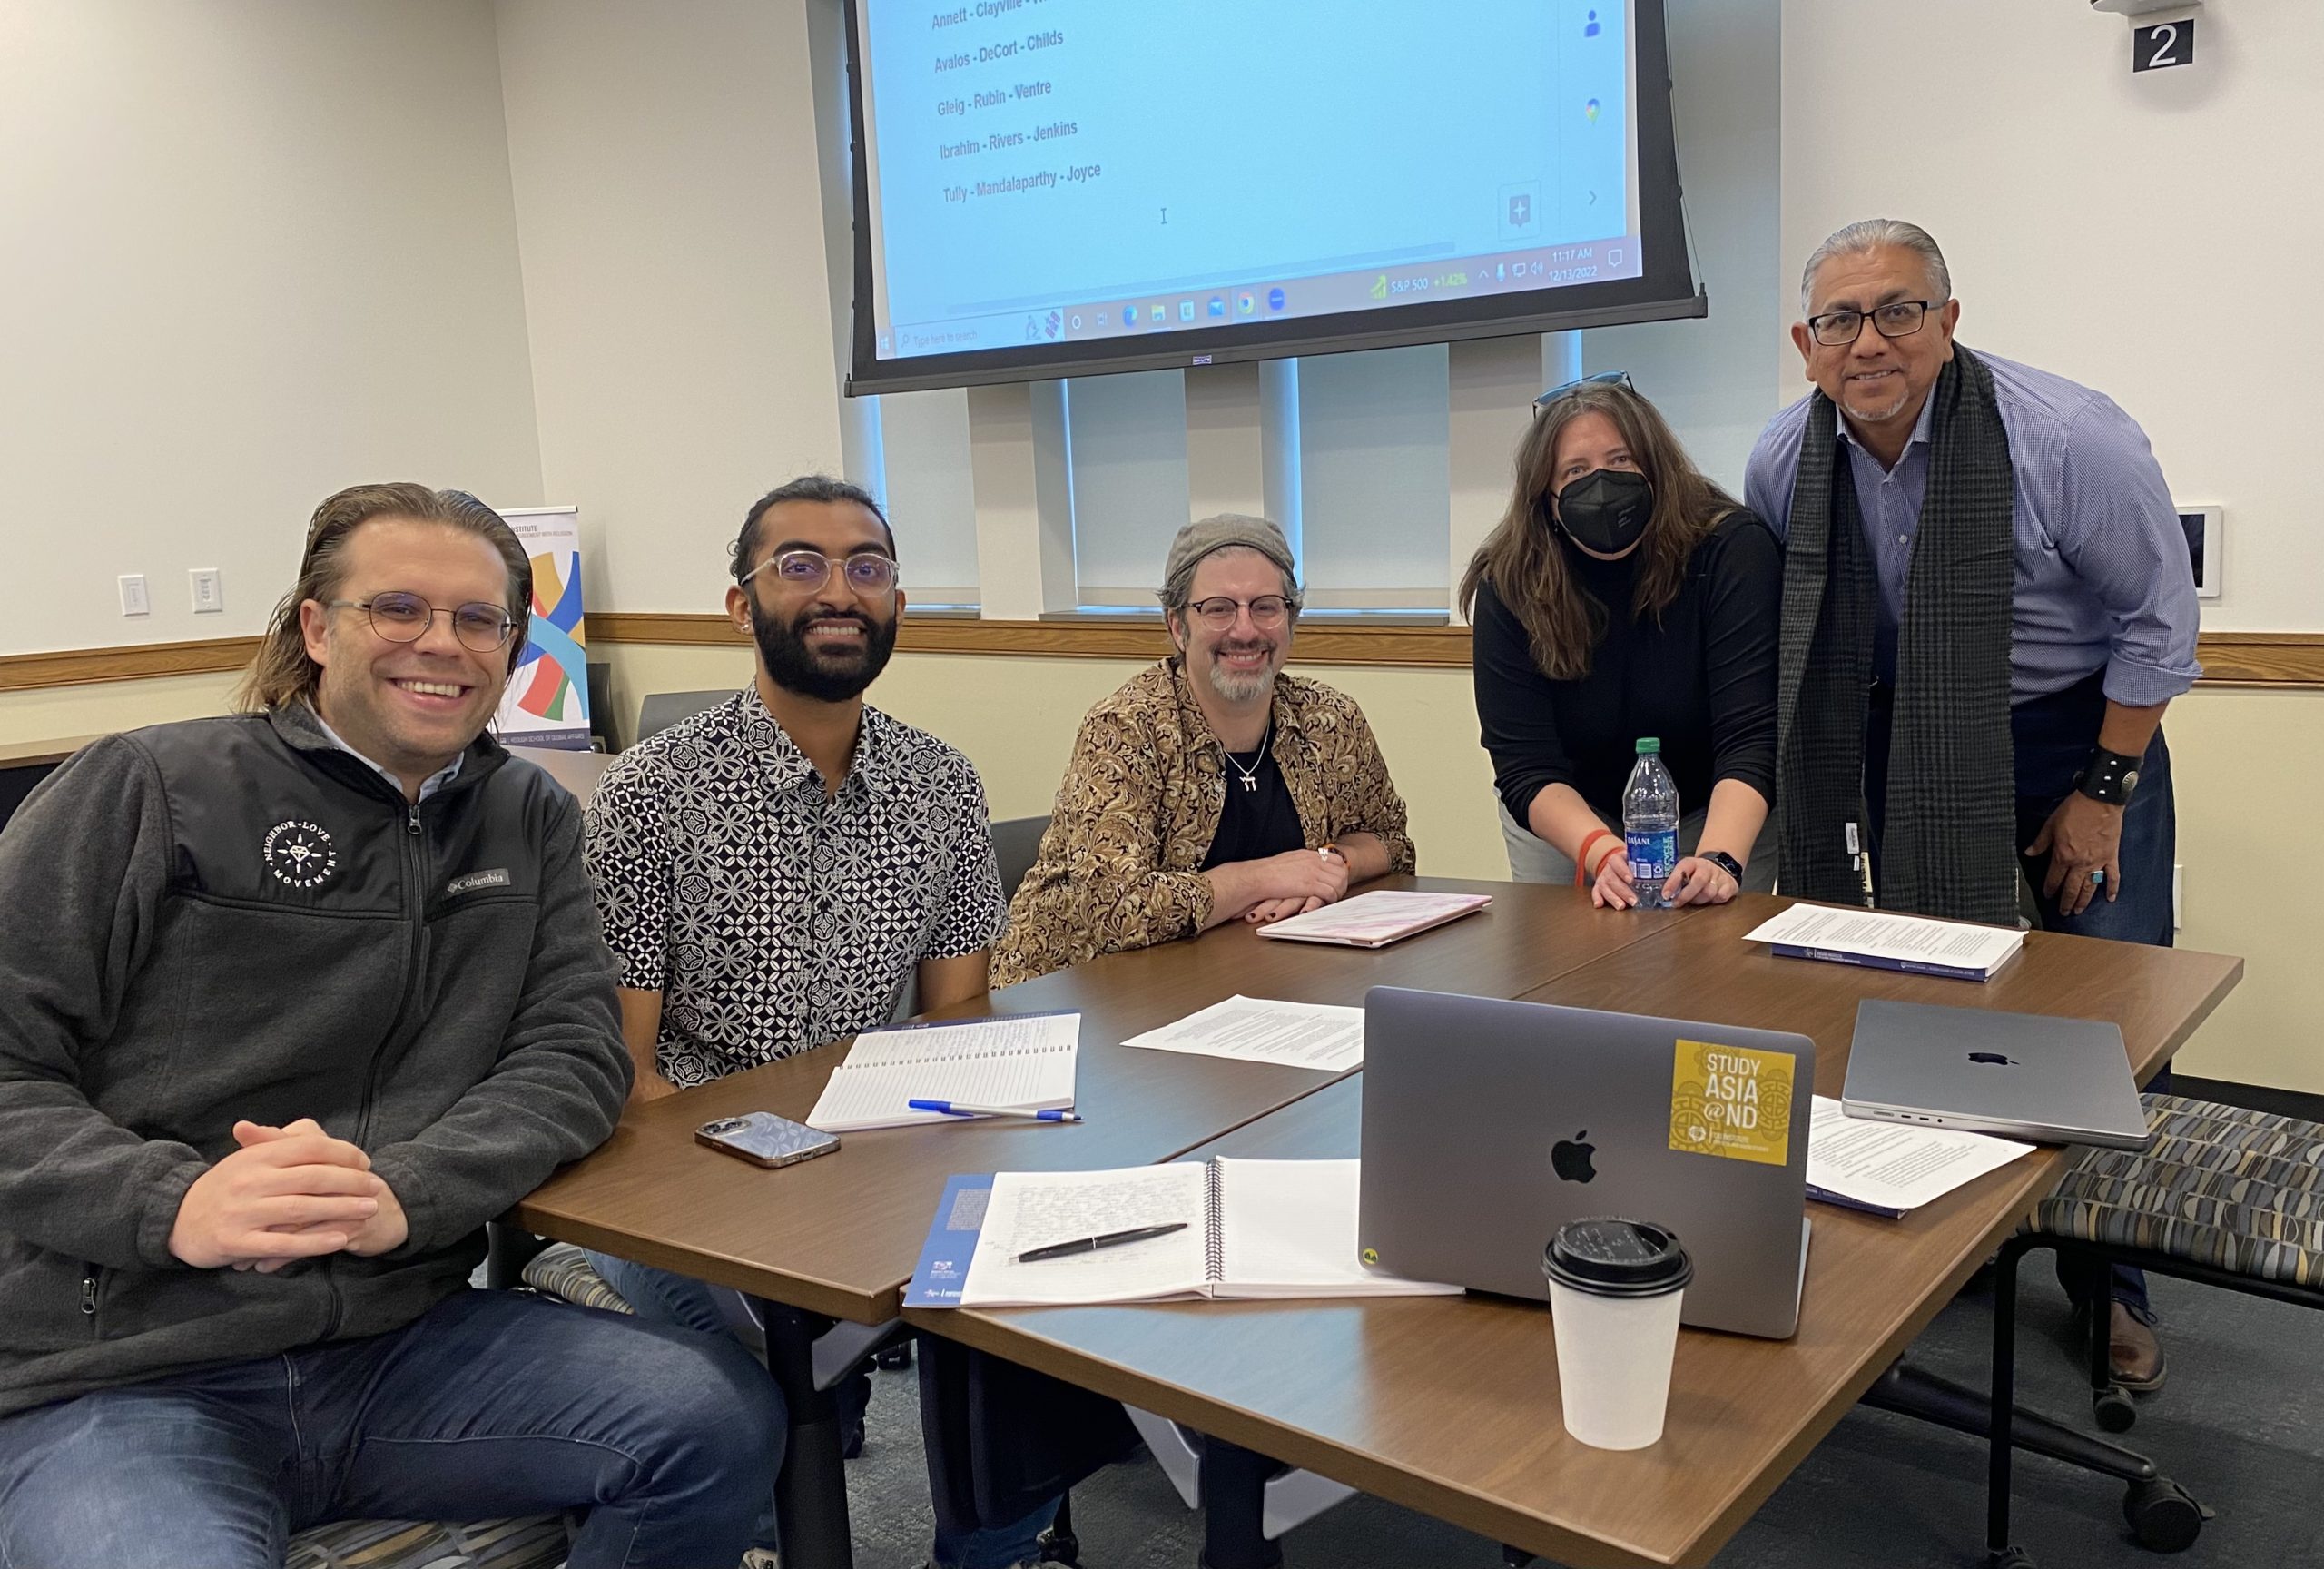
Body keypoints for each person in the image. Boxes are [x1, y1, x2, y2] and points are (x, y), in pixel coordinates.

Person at [0, 483, 777, 1569]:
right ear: (317, 627)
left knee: (714, 1420)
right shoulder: (149, 789)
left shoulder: (528, 814)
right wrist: (173, 1204)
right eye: (398, 608)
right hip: (124, 1368)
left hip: (396, 1339)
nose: (442, 645)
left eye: (478, 620)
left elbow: (574, 1054)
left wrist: (401, 1193)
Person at [1744, 219, 2200, 1390]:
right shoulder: (1778, 461)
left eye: (1899, 310)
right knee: (1911, 994)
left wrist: (2101, 793)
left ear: (1948, 322)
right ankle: (1948, 1240)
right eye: (1841, 320)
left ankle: (2112, 1285)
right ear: (1806, 344)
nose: (1870, 342)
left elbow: (2159, 625)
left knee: (2101, 1011)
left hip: (2073, 732)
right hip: (1895, 735)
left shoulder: (2067, 440)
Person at [581, 475, 1038, 1569]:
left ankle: (982, 1553)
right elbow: (626, 1072)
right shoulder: (651, 794)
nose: (840, 591)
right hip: (686, 1168)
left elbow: (958, 1023)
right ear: (740, 605)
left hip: (876, 1147)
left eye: (867, 568)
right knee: (744, 1403)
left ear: (896, 605)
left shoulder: (939, 783)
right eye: (801, 565)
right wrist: (787, 1212)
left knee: (1030, 1339)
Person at [991, 514, 1414, 986]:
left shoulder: (1330, 720)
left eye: (1266, 607)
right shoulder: (1126, 730)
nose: (1244, 630)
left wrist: (1326, 869)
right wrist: (1266, 877)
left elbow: (1392, 843)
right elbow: (1115, 908)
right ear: (1177, 626)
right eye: (1218, 609)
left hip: (1241, 979)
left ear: (1291, 620)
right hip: (1077, 998)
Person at [1464, 372, 1782, 906]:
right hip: (1568, 818)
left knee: (1719, 970)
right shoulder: (1510, 579)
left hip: (1715, 806)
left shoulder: (1731, 549)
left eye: (1621, 461)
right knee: (1572, 972)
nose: (1603, 484)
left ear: (1656, 469)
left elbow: (1751, 736)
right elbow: (1523, 764)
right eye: (1577, 470)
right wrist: (1602, 852)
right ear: (1547, 496)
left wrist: (1718, 860)